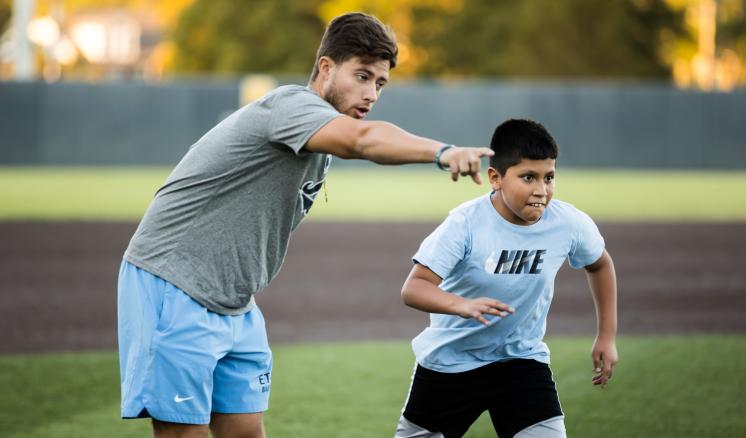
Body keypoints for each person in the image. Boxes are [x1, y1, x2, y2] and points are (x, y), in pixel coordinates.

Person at [118, 12, 493, 438]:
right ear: (326, 67)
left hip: (235, 304)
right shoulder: (290, 106)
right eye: (363, 76)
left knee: (245, 432)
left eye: (380, 83)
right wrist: (441, 152)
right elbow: (363, 140)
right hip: (174, 285)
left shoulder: (320, 138)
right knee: (185, 433)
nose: (371, 93)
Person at [394, 119, 618, 438]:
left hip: (521, 360)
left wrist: (606, 336)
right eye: (528, 177)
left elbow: (600, 265)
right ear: (495, 178)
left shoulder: (567, 223)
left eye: (549, 177)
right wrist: (462, 305)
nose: (541, 190)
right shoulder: (465, 224)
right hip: (451, 364)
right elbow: (413, 288)